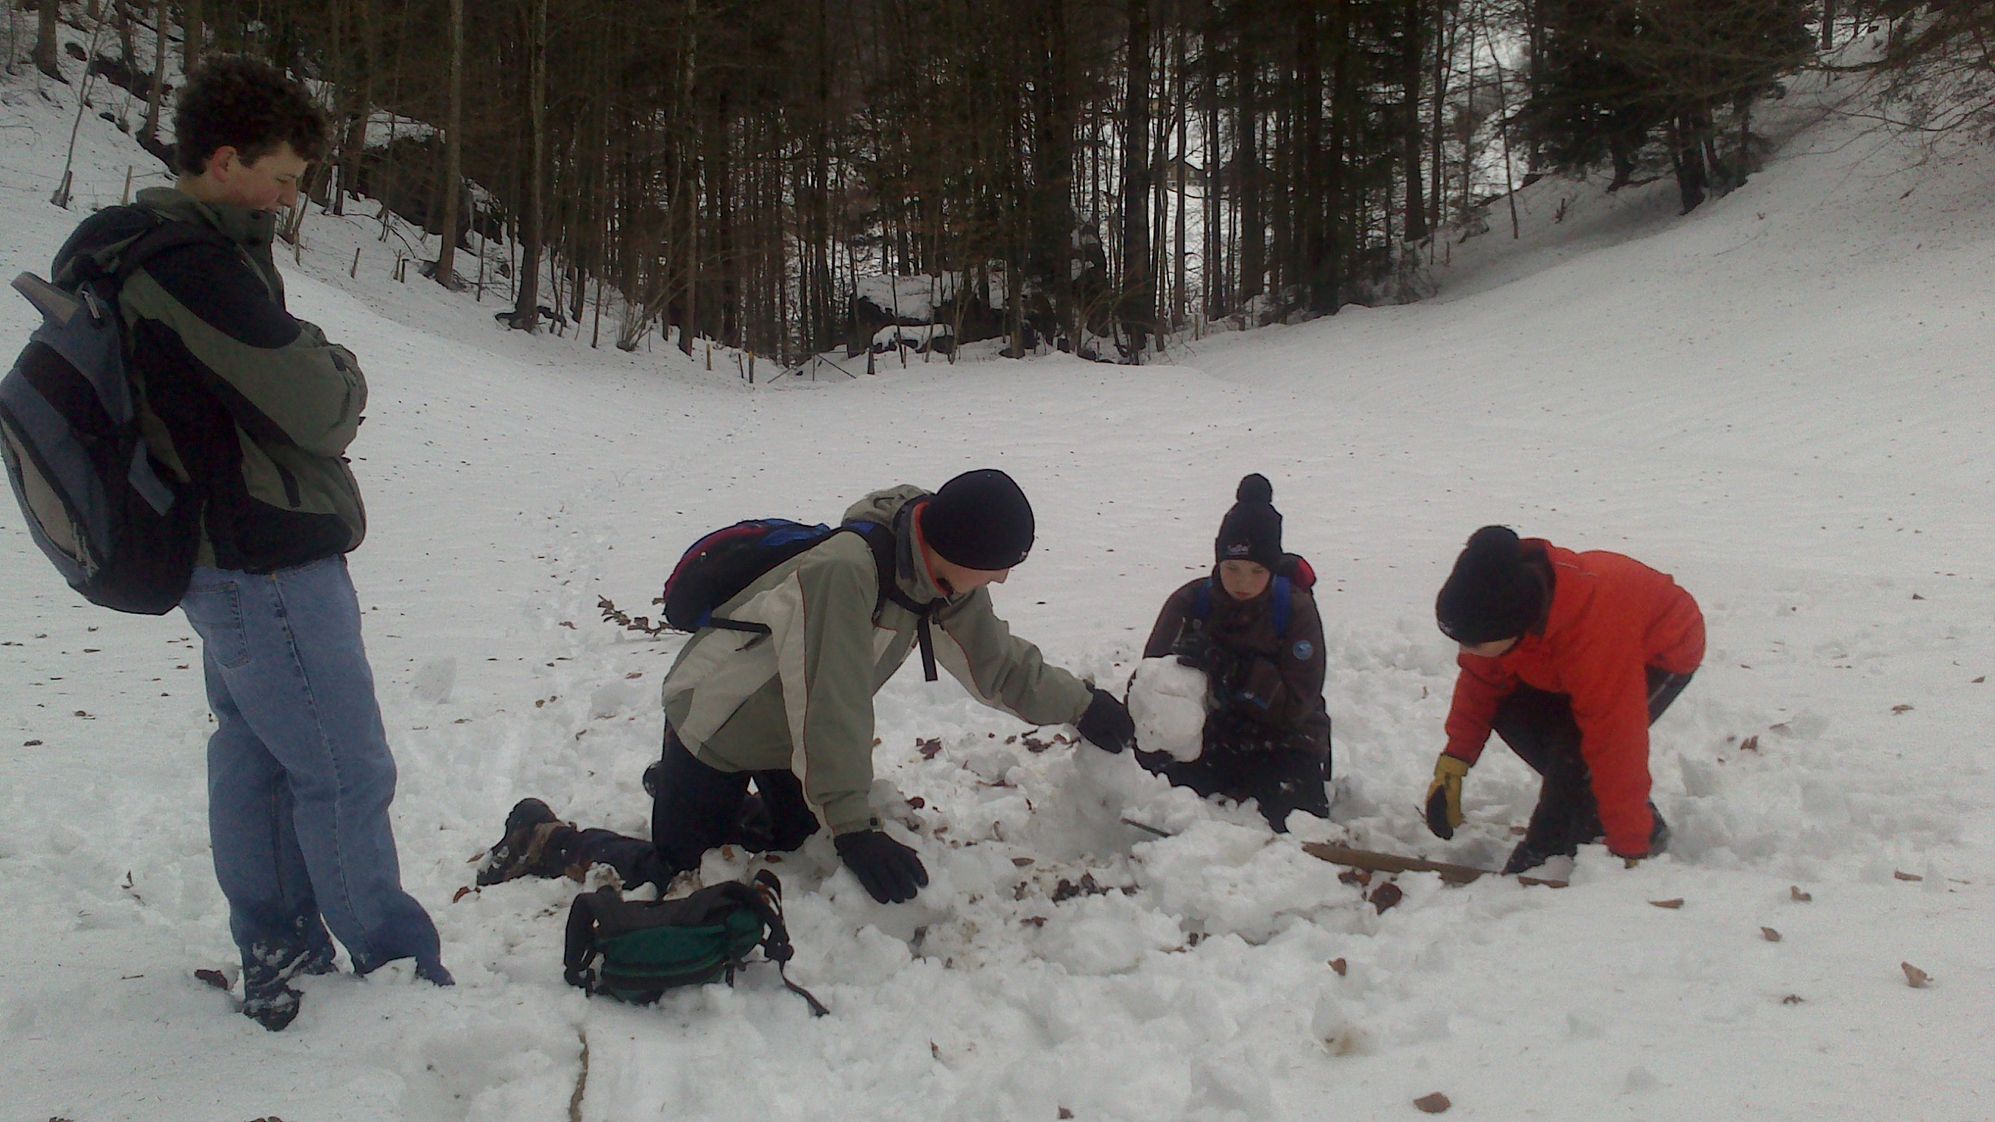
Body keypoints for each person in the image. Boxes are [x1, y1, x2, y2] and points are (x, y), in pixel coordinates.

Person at [49, 57, 449, 1030]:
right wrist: (340, 364)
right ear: (225, 161)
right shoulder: (189, 268)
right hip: (261, 558)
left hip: (219, 558)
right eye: (282, 177)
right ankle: (391, 965)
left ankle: (278, 940)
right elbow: (319, 405)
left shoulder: (148, 249)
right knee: (343, 768)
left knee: (261, 756)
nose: (289, 198)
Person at [479, 469, 1135, 904]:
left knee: (796, 846)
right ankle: (546, 839)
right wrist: (852, 826)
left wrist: (1083, 705)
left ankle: (682, 792)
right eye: (997, 567)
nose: (1002, 580)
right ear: (959, 547)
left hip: (787, 737)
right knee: (680, 876)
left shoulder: (938, 577)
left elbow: (998, 665)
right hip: (718, 725)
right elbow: (833, 702)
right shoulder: (845, 573)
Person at [1424, 525, 1705, 874]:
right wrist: (1453, 764)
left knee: (1579, 751)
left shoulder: (1593, 634)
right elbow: (1480, 682)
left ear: (1515, 626)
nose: (1466, 651)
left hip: (1658, 653)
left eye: (1473, 643)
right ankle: (1599, 812)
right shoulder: (1501, 605)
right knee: (1516, 716)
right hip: (1562, 661)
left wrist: (1631, 845)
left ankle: (1548, 851)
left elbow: (1616, 740)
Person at [1136, 474, 1332, 831]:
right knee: (1160, 791)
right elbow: (1147, 685)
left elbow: (1297, 707)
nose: (1243, 582)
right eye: (1233, 569)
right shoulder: (1189, 604)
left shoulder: (1295, 611)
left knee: (1295, 822)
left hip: (1282, 740)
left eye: (1257, 571)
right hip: (1211, 738)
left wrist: (1233, 670)